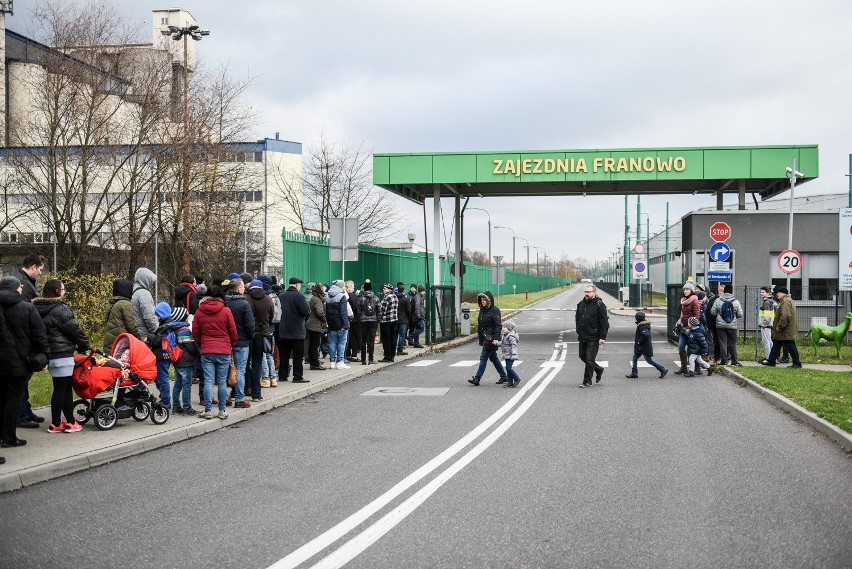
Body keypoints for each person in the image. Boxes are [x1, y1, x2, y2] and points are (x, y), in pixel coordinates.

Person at [32, 280, 90, 433]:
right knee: (62, 390)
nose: (64, 291)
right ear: (57, 291)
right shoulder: (61, 309)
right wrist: (85, 345)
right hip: (63, 354)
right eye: (63, 288)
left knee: (62, 388)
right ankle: (64, 423)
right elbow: (75, 330)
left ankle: (61, 422)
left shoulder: (37, 308)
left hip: (50, 355)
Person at [0, 276, 49, 451]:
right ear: (15, 289)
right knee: (13, 400)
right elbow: (39, 335)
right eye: (20, 286)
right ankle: (9, 438)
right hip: (18, 364)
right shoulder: (27, 308)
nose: (22, 289)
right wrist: (44, 356)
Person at [192, 285, 237, 420]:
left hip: (207, 351)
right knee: (222, 381)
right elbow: (233, 332)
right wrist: (230, 344)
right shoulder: (226, 311)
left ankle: (208, 410)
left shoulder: (200, 311)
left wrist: (202, 343)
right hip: (223, 350)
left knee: (208, 381)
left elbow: (195, 333)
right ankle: (222, 410)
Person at [15, 254, 46, 429]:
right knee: (21, 380)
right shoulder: (23, 285)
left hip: (25, 339)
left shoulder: (26, 282)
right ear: (33, 266)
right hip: (23, 339)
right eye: (40, 269)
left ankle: (26, 411)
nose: (41, 273)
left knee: (25, 379)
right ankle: (21, 415)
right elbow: (26, 314)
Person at [225, 278, 256, 403]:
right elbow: (249, 325)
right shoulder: (244, 304)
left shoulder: (225, 303)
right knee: (240, 370)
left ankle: (224, 398)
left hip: (226, 342)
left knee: (225, 370)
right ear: (238, 289)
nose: (244, 289)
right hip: (242, 341)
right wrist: (250, 336)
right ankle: (239, 398)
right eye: (243, 287)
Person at [164, 306, 198, 415]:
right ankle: (187, 407)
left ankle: (176, 406)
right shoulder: (184, 331)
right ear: (183, 318)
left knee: (177, 385)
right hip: (186, 361)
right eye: (187, 316)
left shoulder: (174, 328)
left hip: (177, 361)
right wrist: (198, 352)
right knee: (186, 385)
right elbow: (190, 346)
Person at [468, 291, 507, 386]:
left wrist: (496, 338)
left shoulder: (494, 310)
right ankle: (504, 376)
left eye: (484, 299)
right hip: (485, 338)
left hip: (491, 338)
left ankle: (477, 378)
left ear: (489, 300)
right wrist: (481, 340)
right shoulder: (482, 310)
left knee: (483, 357)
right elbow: (481, 325)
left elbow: (498, 325)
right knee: (494, 358)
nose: (482, 301)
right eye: (481, 300)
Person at [277, 277, 310, 383]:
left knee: (284, 355)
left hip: (283, 330)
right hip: (297, 331)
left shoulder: (281, 296)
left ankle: (282, 375)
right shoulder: (298, 296)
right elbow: (305, 310)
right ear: (297, 285)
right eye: (300, 285)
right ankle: (297, 376)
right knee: (297, 356)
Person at [575, 284, 609, 387]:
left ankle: (587, 381)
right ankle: (598, 369)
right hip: (583, 335)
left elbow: (604, 322)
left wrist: (602, 337)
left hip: (594, 336)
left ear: (594, 293)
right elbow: (578, 318)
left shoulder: (600, 305)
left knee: (589, 359)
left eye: (588, 292)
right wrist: (578, 329)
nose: (586, 294)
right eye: (585, 292)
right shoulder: (581, 304)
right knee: (582, 356)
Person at [760, 286, 802, 368]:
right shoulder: (788, 300)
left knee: (790, 345)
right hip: (785, 330)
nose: (777, 295)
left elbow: (785, 315)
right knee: (776, 344)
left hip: (785, 330)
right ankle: (771, 361)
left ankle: (797, 363)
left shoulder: (785, 302)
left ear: (783, 293)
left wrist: (779, 326)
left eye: (778, 293)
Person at [246, 279, 273, 398]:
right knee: (257, 363)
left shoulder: (246, 298)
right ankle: (256, 393)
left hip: (248, 336)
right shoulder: (268, 299)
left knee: (245, 363)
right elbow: (272, 316)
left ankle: (246, 387)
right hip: (261, 335)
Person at [625, 311, 668, 379]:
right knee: (636, 358)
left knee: (648, 360)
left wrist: (639, 342)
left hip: (643, 346)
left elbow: (646, 335)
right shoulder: (643, 324)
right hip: (643, 346)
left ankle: (662, 369)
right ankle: (634, 373)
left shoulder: (643, 326)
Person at [710, 283, 744, 366]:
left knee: (723, 343)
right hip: (732, 326)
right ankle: (734, 361)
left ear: (724, 291)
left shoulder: (718, 300)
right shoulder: (736, 301)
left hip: (720, 326)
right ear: (732, 291)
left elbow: (713, 312)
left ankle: (724, 360)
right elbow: (740, 314)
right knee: (732, 343)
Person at [674, 282, 703, 375]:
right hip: (683, 327)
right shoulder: (684, 301)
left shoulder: (695, 301)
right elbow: (682, 315)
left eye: (687, 289)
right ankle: (683, 367)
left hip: (692, 329)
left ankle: (697, 368)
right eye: (684, 289)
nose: (685, 291)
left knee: (692, 348)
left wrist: (691, 327)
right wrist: (678, 323)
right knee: (681, 347)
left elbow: (697, 316)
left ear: (691, 291)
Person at [103, 278, 139, 352]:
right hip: (120, 344)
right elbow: (132, 326)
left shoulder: (112, 303)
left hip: (109, 342)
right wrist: (141, 339)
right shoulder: (125, 304)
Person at [326, 279, 352, 369]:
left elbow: (326, 312)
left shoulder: (328, 296)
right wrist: (345, 324)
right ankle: (340, 361)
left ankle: (332, 362)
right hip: (340, 323)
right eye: (344, 285)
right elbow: (343, 312)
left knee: (332, 342)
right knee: (342, 342)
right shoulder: (342, 296)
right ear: (341, 286)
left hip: (331, 323)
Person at [131, 267, 159, 343]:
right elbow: (150, 317)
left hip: (137, 334)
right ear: (146, 279)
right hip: (145, 337)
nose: (152, 285)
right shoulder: (144, 294)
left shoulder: (134, 292)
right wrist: (157, 333)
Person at [306, 282, 328, 370]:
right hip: (316, 324)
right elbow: (320, 312)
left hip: (311, 323)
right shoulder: (318, 299)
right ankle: (315, 364)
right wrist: (324, 320)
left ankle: (313, 362)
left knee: (312, 345)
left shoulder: (313, 298)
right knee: (315, 345)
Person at [358, 280, 380, 365]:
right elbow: (379, 310)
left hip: (363, 321)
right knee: (371, 340)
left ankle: (363, 360)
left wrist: (360, 318)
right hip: (373, 321)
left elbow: (358, 311)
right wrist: (378, 319)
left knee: (363, 340)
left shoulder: (361, 298)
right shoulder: (376, 298)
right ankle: (371, 359)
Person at [378, 283, 399, 362]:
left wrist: (378, 318)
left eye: (385, 288)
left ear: (389, 289)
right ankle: (392, 355)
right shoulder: (395, 297)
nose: (383, 289)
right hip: (394, 320)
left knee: (385, 339)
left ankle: (387, 356)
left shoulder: (387, 297)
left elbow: (382, 310)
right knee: (392, 338)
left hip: (386, 321)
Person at [500, 319, 521, 388]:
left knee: (509, 368)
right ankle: (510, 381)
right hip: (506, 354)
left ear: (508, 328)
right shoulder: (505, 335)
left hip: (511, 355)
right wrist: (497, 343)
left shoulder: (511, 336)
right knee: (508, 368)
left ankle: (517, 378)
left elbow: (513, 345)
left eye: (504, 327)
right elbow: (503, 343)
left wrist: (514, 354)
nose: (502, 328)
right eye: (502, 327)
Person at [344, 280, 361, 363]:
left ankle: (347, 354)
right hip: (354, 319)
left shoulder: (344, 296)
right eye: (353, 285)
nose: (354, 287)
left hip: (346, 319)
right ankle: (354, 355)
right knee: (354, 337)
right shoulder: (353, 296)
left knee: (347, 338)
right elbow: (356, 308)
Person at [758, 285, 775, 360]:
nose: (761, 293)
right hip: (768, 325)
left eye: (763, 292)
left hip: (766, 325)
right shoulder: (768, 301)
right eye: (760, 292)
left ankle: (768, 358)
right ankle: (772, 357)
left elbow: (767, 316)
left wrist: (763, 324)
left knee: (766, 342)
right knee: (769, 341)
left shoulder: (766, 302)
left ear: (767, 293)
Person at [395, 281, 411, 356]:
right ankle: (400, 349)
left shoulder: (395, 297)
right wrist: (408, 317)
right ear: (403, 290)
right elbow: (409, 310)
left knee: (394, 335)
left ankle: (393, 348)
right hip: (403, 319)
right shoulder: (405, 299)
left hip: (395, 319)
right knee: (402, 335)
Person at [407, 284, 426, 348]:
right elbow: (417, 307)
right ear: (422, 291)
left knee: (417, 329)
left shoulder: (417, 296)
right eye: (424, 291)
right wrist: (419, 316)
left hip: (415, 316)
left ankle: (416, 343)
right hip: (418, 316)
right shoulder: (418, 297)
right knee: (422, 329)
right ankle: (410, 337)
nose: (424, 292)